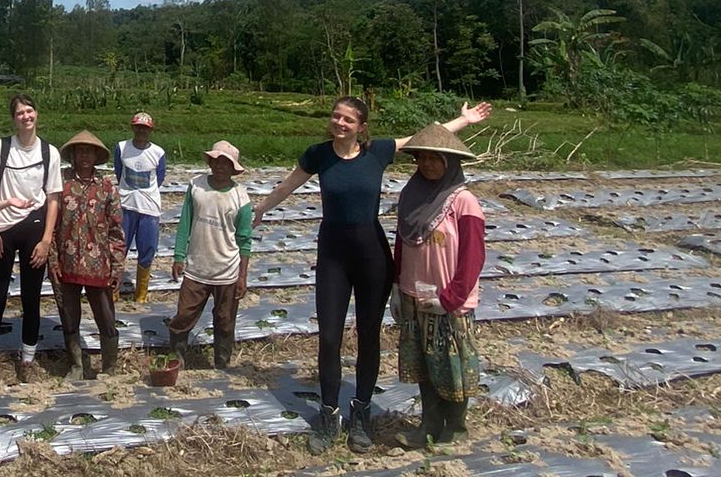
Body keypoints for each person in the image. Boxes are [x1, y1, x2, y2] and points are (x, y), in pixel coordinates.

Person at [254, 95, 493, 451]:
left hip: (371, 256)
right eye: (336, 116)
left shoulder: (377, 152)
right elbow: (288, 185)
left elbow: (425, 138)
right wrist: (258, 208)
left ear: (361, 126)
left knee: (369, 335)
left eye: (348, 119)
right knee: (330, 337)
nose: (339, 123)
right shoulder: (318, 154)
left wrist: (464, 121)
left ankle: (361, 413)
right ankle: (329, 414)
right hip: (333, 253)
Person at [392, 124, 486, 443]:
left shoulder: (464, 202)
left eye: (435, 159)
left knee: (451, 363)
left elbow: (473, 257)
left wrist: (451, 297)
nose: (428, 165)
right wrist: (396, 284)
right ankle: (428, 426)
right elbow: (403, 242)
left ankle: (455, 429)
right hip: (413, 292)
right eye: (422, 158)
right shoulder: (411, 196)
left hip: (449, 299)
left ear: (450, 163)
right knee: (424, 363)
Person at [0, 92, 63, 381]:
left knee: (31, 296)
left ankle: (27, 359)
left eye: (30, 111)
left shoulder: (49, 153)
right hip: (1, 227)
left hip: (34, 227)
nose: (26, 117)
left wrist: (46, 239)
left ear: (36, 113)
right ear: (13, 119)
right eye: (20, 113)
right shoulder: (0, 148)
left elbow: (53, 199)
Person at [166, 141, 254, 369]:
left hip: (227, 270)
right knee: (183, 316)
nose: (220, 167)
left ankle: (221, 362)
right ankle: (177, 358)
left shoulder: (240, 197)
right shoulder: (197, 187)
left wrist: (242, 276)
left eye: (226, 163)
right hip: (197, 267)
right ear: (211, 162)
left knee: (225, 321)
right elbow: (185, 221)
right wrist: (178, 255)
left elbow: (244, 240)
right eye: (217, 161)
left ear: (233, 168)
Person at [53, 131, 126, 380]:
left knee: (105, 314)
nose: (84, 156)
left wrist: (117, 266)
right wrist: (53, 259)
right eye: (80, 151)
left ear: (96, 156)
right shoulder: (60, 183)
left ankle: (109, 366)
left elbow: (116, 230)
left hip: (99, 264)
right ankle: (76, 365)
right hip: (67, 261)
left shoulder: (107, 187)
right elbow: (51, 225)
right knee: (69, 313)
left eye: (89, 151)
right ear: (72, 155)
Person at [114, 111, 168, 304]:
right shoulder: (121, 148)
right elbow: (118, 172)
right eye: (138, 127)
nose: (141, 131)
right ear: (132, 127)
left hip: (149, 208)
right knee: (120, 248)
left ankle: (141, 294)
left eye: (145, 129)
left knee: (147, 249)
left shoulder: (158, 153)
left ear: (150, 130)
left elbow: (159, 179)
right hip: (126, 205)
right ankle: (114, 291)